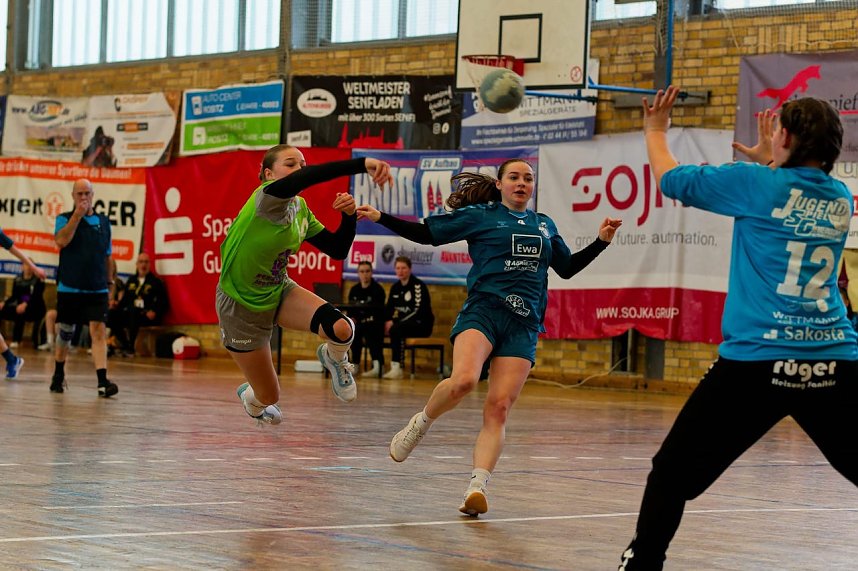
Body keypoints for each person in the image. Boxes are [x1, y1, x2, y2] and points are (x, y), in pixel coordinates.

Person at [616, 88, 858, 570]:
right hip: (832, 358)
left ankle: (643, 564)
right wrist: (772, 163)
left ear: (783, 136)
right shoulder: (840, 196)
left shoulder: (754, 184)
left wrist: (655, 130)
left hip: (758, 362)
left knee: (671, 474)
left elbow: (669, 178)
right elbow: (790, 197)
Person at [357, 160, 621, 515]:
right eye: (514, 177)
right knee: (464, 380)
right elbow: (426, 234)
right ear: (499, 184)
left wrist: (601, 242)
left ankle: (476, 487)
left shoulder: (544, 225)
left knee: (499, 407)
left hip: (524, 324)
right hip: (484, 312)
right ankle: (421, 423)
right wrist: (380, 217)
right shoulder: (481, 215)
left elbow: (568, 268)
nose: (522, 183)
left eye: (528, 178)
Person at [217, 144, 392, 426]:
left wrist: (348, 217)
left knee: (342, 328)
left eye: (302, 163)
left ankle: (334, 358)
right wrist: (363, 164)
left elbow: (337, 249)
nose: (299, 169)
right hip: (240, 307)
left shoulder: (299, 208)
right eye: (291, 164)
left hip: (278, 291)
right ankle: (252, 400)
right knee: (269, 395)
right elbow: (307, 178)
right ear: (268, 174)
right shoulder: (265, 198)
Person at [49, 178, 119, 397]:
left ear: (92, 195)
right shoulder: (63, 219)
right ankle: (58, 375)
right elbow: (61, 241)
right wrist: (77, 217)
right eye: (79, 194)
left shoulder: (104, 222)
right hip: (70, 287)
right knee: (66, 332)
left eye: (87, 193)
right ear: (73, 196)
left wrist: (110, 284)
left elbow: (108, 256)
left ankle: (102, 381)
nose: (83, 198)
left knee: (98, 331)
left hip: (97, 288)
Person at [0, 228, 46, 379]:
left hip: (33, 308)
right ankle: (12, 359)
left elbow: (14, 249)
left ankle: (12, 359)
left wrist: (33, 267)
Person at [382, 256, 434, 379]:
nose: (400, 271)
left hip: (422, 325)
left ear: (410, 269)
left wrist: (394, 321)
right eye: (398, 268)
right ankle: (378, 365)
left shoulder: (418, 286)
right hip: (404, 324)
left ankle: (397, 368)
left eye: (404, 268)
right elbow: (389, 309)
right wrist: (386, 321)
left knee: (396, 329)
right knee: (379, 326)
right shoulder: (395, 288)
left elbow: (418, 311)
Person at [112, 252, 168, 357]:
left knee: (134, 311)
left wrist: (155, 311)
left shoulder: (155, 282)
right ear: (137, 264)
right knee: (112, 315)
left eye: (146, 262)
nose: (143, 265)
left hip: (146, 315)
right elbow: (124, 300)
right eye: (141, 262)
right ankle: (125, 345)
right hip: (131, 314)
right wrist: (116, 306)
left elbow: (163, 301)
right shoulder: (131, 280)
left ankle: (130, 347)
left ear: (150, 265)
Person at [346, 261, 386, 377]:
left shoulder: (378, 289)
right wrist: (352, 318)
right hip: (359, 324)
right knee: (353, 331)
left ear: (371, 272)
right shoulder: (354, 290)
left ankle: (378, 366)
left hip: (374, 323)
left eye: (367, 271)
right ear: (358, 273)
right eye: (362, 271)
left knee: (371, 330)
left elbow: (379, 310)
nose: (365, 274)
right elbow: (351, 310)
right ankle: (355, 364)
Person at [0, 263, 47, 348]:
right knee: (3, 309)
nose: (28, 268)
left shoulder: (38, 280)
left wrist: (25, 304)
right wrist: (4, 302)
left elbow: (36, 296)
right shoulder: (17, 279)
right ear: (22, 267)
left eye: (30, 266)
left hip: (34, 308)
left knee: (20, 312)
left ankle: (16, 340)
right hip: (20, 306)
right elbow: (14, 296)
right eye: (26, 265)